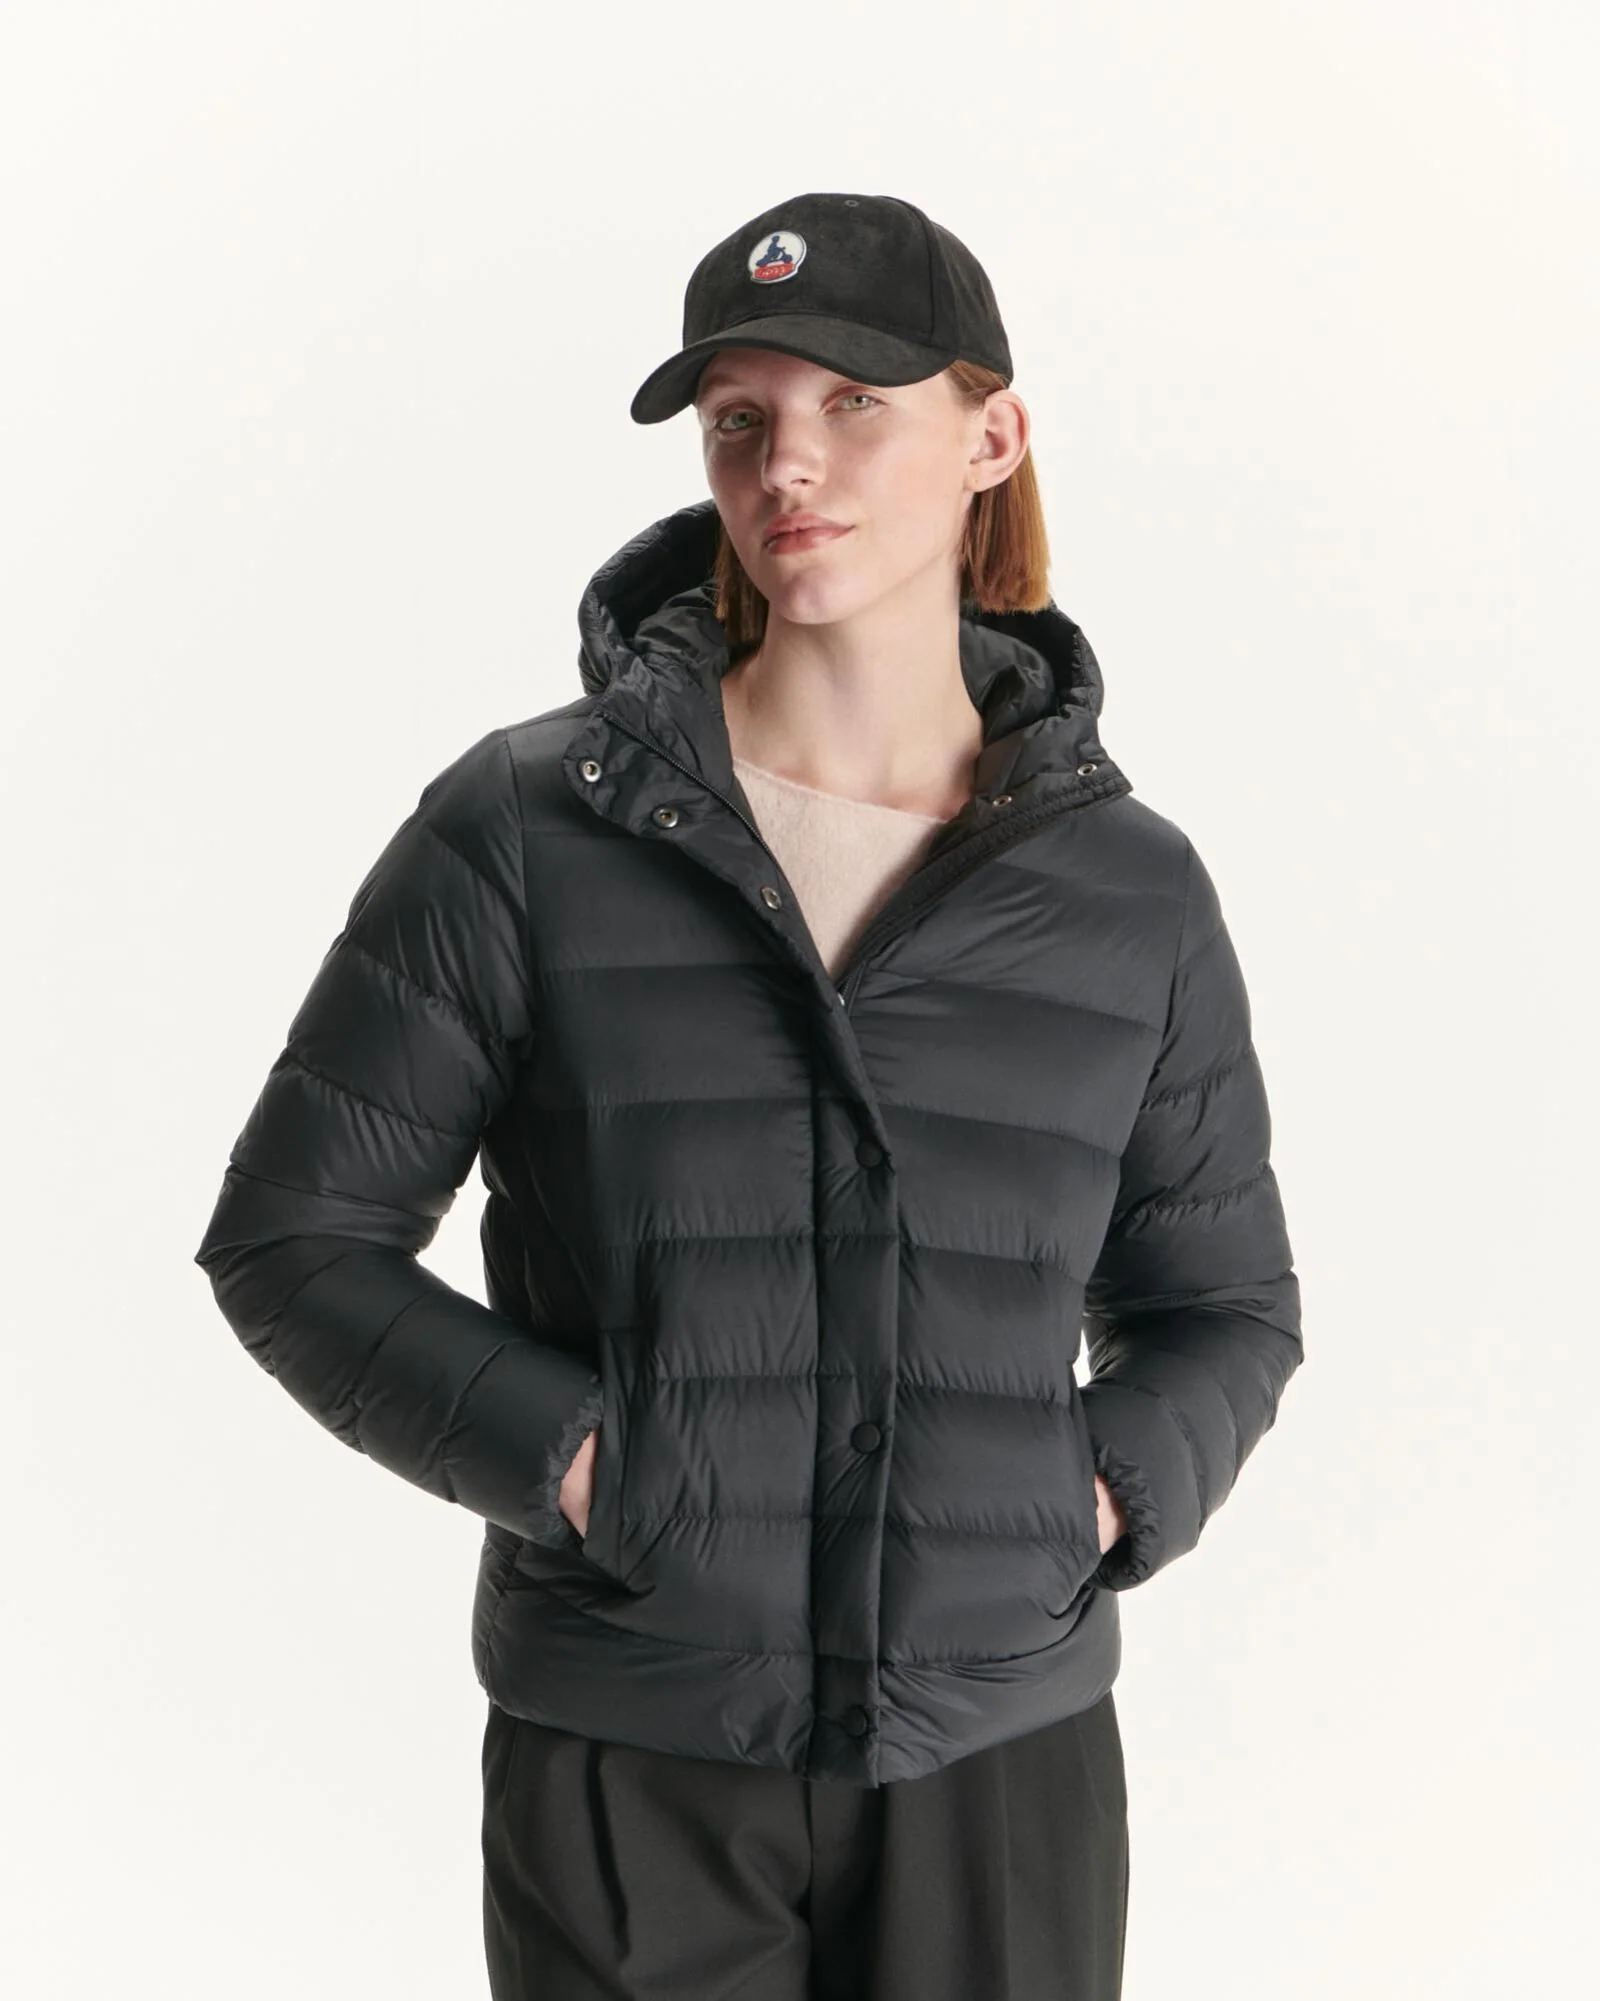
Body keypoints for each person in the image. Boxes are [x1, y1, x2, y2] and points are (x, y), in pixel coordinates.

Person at [194, 191, 1303, 2000]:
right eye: (741, 418)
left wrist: (1086, 1498)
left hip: (999, 1750)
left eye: (855, 402)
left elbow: (1225, 1307)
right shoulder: (527, 831)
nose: (789, 460)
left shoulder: (1129, 891)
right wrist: (590, 1470)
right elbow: (294, 1239)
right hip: (633, 1747)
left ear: (993, 438)